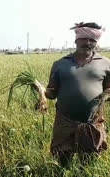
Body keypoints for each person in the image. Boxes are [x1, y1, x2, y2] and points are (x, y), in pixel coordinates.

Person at [45, 22, 110, 167]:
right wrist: (41, 92)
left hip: (92, 122)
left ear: (96, 42)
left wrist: (106, 95)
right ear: (76, 40)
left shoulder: (105, 63)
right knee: (62, 161)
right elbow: (51, 94)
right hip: (64, 122)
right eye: (84, 39)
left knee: (89, 162)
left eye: (92, 40)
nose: (87, 43)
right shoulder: (60, 64)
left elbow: (108, 89)